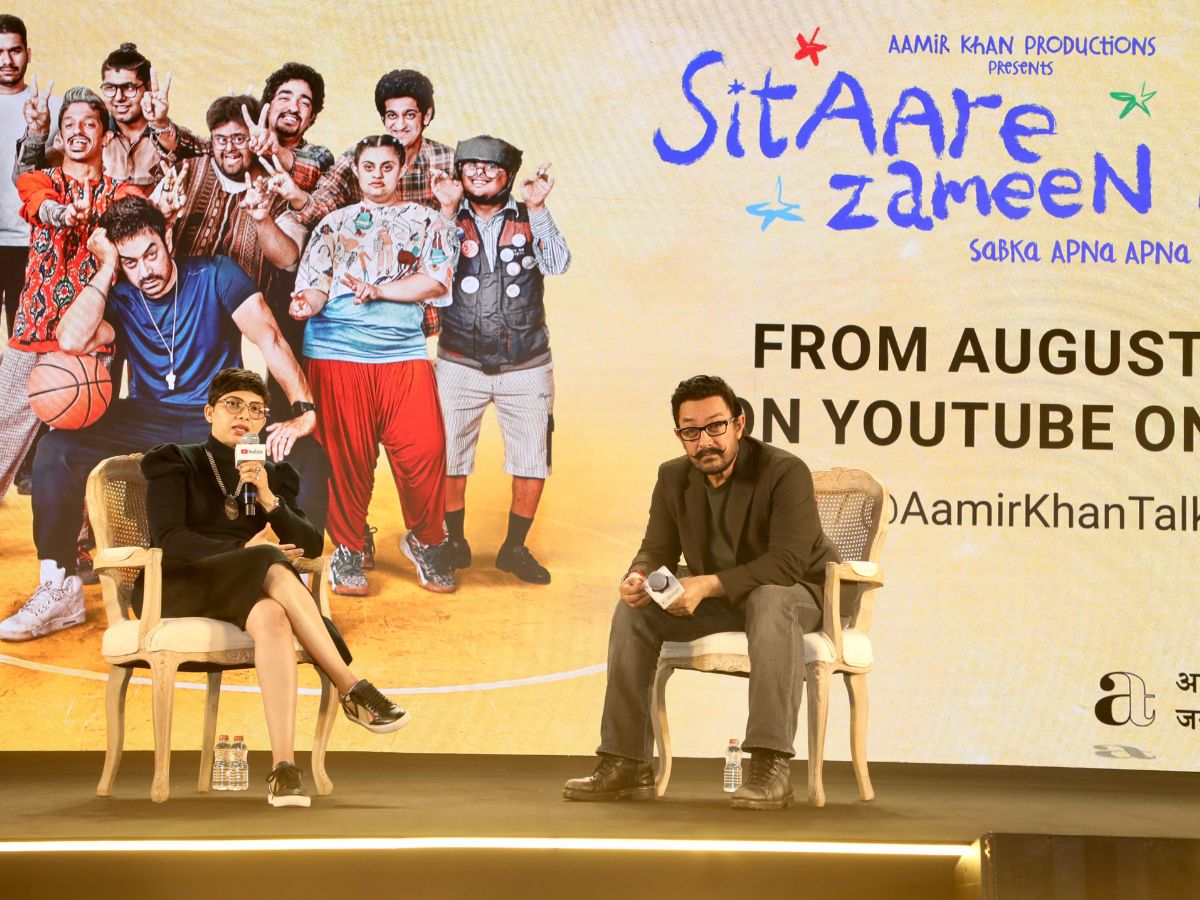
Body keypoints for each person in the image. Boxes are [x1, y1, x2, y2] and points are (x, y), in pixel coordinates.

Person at [0, 196, 318, 642]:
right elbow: (71, 341)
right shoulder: (121, 294)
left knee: (306, 454)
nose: (145, 270)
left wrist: (303, 411)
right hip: (147, 416)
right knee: (57, 449)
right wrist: (107, 267)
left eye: (151, 253)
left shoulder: (216, 274)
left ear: (167, 236)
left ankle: (298, 587)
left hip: (218, 416)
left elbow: (269, 336)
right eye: (130, 261)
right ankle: (59, 585)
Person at [562, 375, 846, 811]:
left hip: (802, 593)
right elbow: (656, 549)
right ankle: (626, 761)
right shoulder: (672, 476)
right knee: (637, 610)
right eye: (691, 431)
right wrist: (638, 576)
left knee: (769, 598)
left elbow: (787, 563)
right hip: (725, 599)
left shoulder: (784, 471)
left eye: (715, 426)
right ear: (679, 434)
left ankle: (769, 765)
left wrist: (706, 584)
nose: (705, 441)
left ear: (739, 424)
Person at [140, 366, 410, 807]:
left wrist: (268, 498)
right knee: (268, 558)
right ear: (209, 412)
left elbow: (310, 544)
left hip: (244, 590)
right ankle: (351, 686)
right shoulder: (176, 461)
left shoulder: (271, 476)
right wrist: (245, 548)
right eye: (233, 404)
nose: (244, 415)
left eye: (256, 410)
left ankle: (284, 769)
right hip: (181, 583)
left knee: (272, 613)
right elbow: (168, 539)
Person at [150, 93, 333, 529]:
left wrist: (261, 218)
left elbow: (288, 257)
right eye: (221, 139)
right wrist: (165, 218)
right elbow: (149, 243)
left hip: (246, 324)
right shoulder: (186, 171)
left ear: (254, 140)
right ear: (210, 140)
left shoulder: (272, 184)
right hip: (180, 323)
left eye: (239, 138)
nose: (230, 147)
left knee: (248, 434)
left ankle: (261, 529)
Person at [289, 134, 459, 596]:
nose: (378, 175)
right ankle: (348, 545)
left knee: (424, 449)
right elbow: (318, 285)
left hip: (401, 352)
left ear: (401, 170)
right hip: (335, 351)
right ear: (357, 171)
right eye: (369, 167)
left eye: (387, 166)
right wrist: (307, 303)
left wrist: (380, 290)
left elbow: (435, 281)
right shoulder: (333, 223)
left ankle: (427, 540)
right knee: (348, 458)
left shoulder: (427, 220)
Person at [436, 136, 571, 584]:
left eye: (490, 167)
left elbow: (558, 263)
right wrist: (445, 211)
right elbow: (431, 270)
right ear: (459, 172)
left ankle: (514, 548)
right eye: (470, 165)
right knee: (448, 456)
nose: (479, 173)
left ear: (509, 175)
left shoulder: (528, 216)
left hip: (527, 363)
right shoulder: (448, 216)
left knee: (532, 459)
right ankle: (454, 542)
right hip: (459, 361)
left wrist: (539, 208)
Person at [0, 87, 139, 506]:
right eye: (69, 124)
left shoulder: (122, 195)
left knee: (81, 453)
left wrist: (165, 212)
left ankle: (78, 536)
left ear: (106, 135)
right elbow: (40, 205)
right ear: (59, 136)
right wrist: (65, 214)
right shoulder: (40, 181)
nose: (78, 131)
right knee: (2, 435)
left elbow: (143, 227)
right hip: (33, 333)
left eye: (89, 124)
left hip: (89, 341)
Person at [15, 42, 196, 188]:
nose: (119, 97)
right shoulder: (86, 135)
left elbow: (198, 163)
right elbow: (24, 179)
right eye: (110, 88)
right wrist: (36, 133)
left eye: (129, 87)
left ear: (148, 87)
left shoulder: (169, 137)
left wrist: (160, 124)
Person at [0, 14, 59, 336]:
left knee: (26, 341)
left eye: (14, 50)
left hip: (33, 240)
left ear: (28, 53)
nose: (7, 60)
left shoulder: (53, 107)